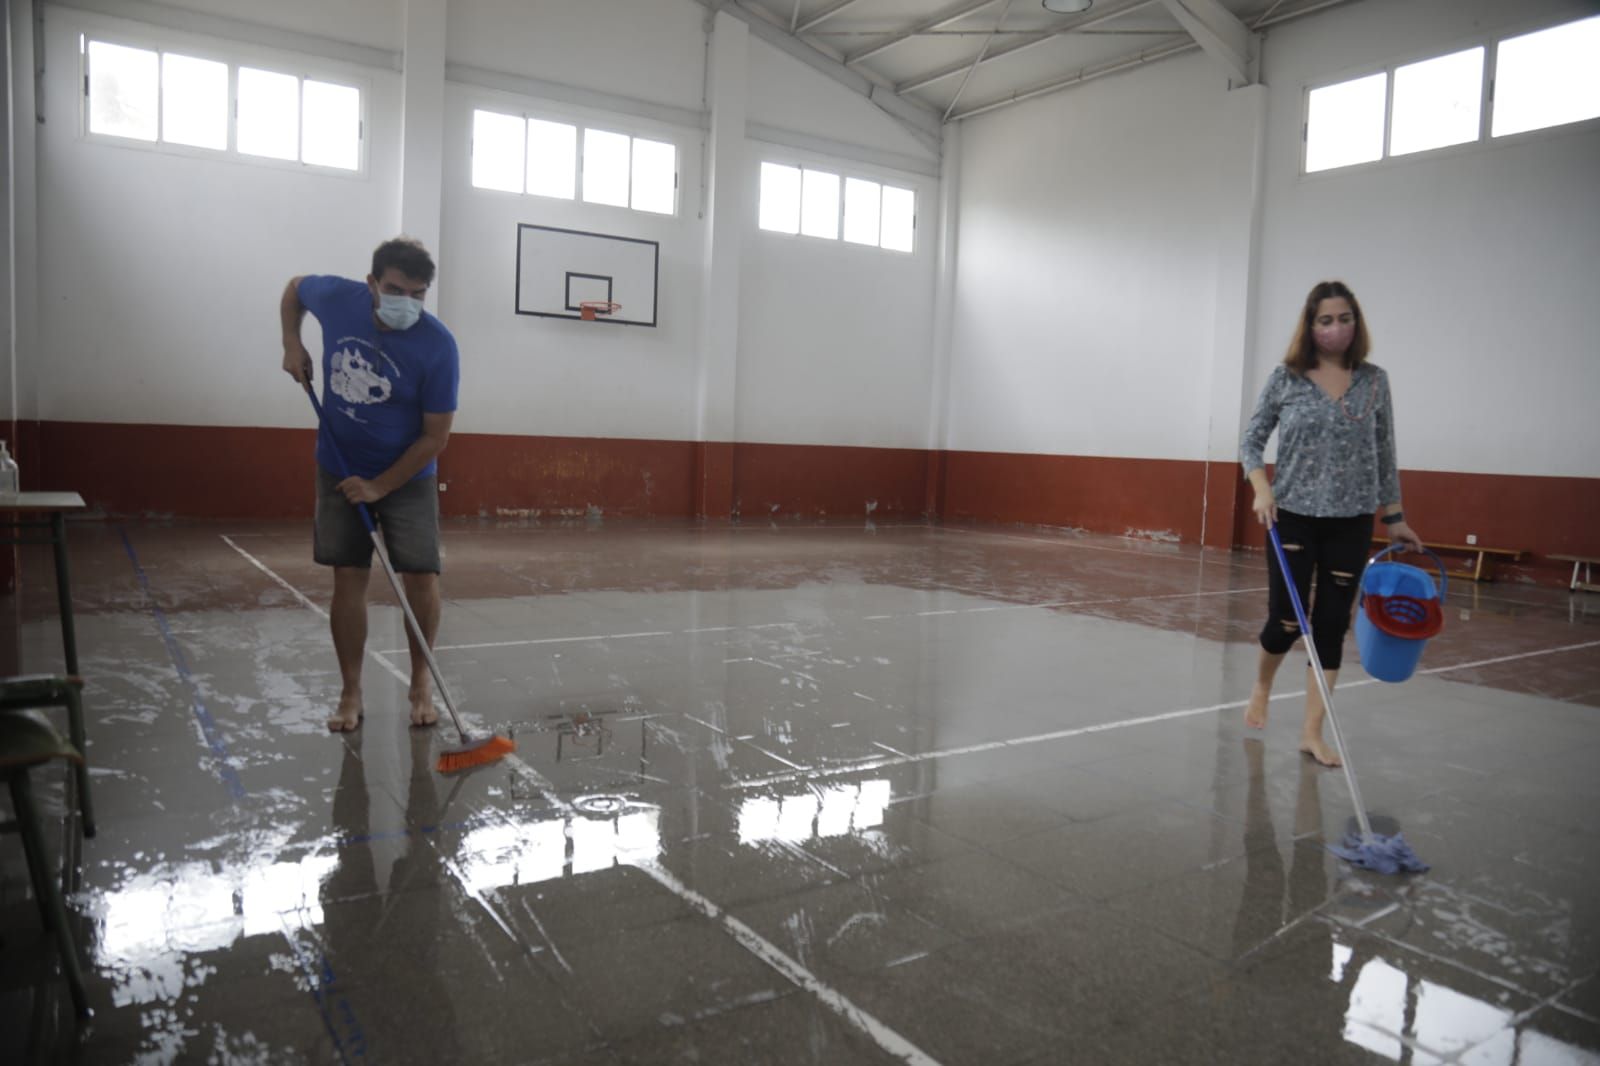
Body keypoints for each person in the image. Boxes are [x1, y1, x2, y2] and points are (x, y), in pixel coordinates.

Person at [1240, 280, 1422, 766]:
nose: (1335, 328)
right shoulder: (1287, 378)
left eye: (1344, 319)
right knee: (1286, 619)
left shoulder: (1375, 381)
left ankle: (1311, 732)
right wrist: (1262, 488)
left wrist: (1395, 517)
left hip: (1352, 519)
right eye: (1325, 320)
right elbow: (1250, 441)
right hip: (1292, 514)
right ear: (1310, 325)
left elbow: (1385, 451)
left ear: (1355, 323)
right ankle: (1261, 685)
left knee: (1330, 625)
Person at [280, 237, 460, 732]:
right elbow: (295, 288)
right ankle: (351, 692)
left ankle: (420, 683)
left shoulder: (438, 346)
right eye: (396, 289)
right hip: (339, 462)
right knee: (348, 576)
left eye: (419, 294)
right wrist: (292, 343)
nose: (408, 303)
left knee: (421, 577)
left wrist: (381, 485)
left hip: (408, 473)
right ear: (371, 284)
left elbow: (435, 437)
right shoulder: (339, 298)